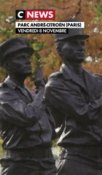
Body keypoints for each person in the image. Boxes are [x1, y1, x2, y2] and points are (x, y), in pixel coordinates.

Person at [44, 20, 102, 175]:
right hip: (78, 161)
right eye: (74, 43)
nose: (80, 47)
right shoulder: (56, 84)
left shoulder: (96, 81)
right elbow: (86, 114)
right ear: (59, 48)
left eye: (82, 43)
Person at [0, 37, 56, 175]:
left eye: (27, 57)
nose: (27, 61)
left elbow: (52, 129)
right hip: (21, 165)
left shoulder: (32, 94)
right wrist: (42, 90)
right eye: (20, 58)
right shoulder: (3, 94)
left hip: (46, 163)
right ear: (7, 64)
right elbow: (27, 116)